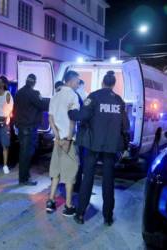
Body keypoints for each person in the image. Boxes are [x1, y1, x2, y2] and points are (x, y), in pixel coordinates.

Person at [68, 71, 130, 226]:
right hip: (111, 147)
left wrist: (71, 111)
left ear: (103, 82)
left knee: (87, 178)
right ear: (113, 84)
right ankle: (108, 217)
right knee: (108, 181)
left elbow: (81, 115)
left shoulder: (94, 97)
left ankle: (80, 214)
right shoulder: (119, 101)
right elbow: (125, 126)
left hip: (93, 145)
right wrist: (125, 146)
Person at [46, 71, 80, 216]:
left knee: (56, 172)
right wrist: (67, 139)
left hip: (57, 140)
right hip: (68, 140)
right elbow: (72, 119)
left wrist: (57, 137)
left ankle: (50, 201)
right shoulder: (73, 96)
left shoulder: (55, 95)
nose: (78, 84)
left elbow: (50, 119)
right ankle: (68, 205)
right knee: (70, 174)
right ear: (71, 81)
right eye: (77, 81)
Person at [14, 74, 49, 186]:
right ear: (34, 82)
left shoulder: (19, 92)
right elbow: (43, 105)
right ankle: (23, 179)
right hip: (29, 127)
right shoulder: (34, 93)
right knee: (27, 154)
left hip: (21, 126)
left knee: (23, 153)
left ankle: (24, 176)